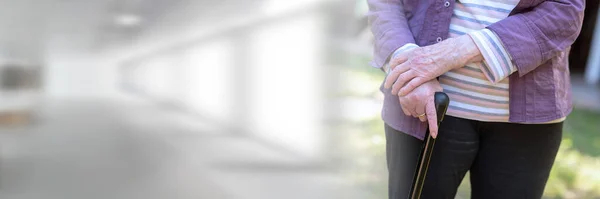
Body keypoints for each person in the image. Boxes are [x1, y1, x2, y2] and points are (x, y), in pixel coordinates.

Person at [367, 0, 585, 198]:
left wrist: (454, 52)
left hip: (528, 123)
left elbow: (566, 9)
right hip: (423, 105)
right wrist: (409, 71)